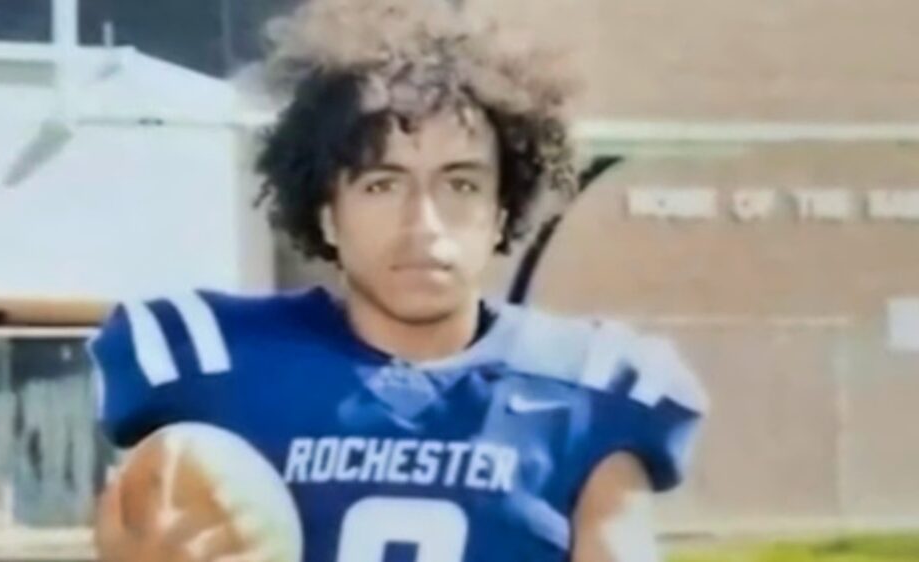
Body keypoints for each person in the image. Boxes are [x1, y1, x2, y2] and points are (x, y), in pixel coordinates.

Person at [89, 0, 708, 560]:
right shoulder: (215, 365)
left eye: (460, 184)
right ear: (328, 214)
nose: (423, 224)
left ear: (501, 212)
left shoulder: (584, 389)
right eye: (381, 184)